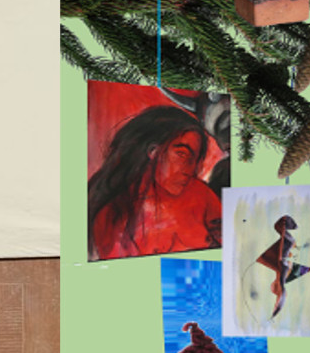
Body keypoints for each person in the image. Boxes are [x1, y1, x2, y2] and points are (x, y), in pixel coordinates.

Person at [88, 104, 222, 260]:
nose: (190, 169)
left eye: (194, 160)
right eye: (182, 154)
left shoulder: (201, 195)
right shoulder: (113, 213)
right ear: (153, 151)